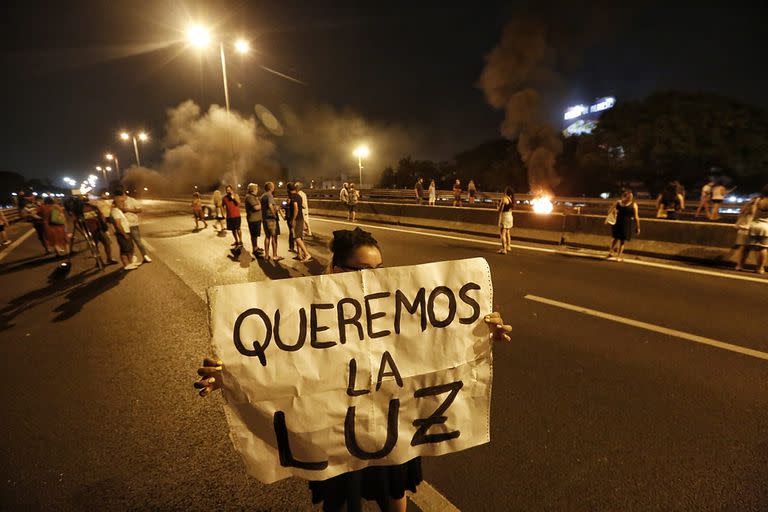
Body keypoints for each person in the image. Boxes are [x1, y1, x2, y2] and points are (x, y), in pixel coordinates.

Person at [194, 227, 513, 512]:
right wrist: (229, 373)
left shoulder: (395, 303)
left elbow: (439, 342)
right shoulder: (304, 311)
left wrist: (480, 330)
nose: (373, 278)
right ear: (335, 269)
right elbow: (275, 360)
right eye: (362, 270)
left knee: (394, 491)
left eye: (379, 269)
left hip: (391, 427)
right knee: (341, 500)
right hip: (335, 434)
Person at [116, 189, 151, 263]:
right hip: (123, 226)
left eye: (122, 196)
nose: (121, 198)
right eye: (119, 196)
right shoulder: (117, 201)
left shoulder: (132, 200)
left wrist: (127, 210)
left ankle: (145, 255)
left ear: (124, 194)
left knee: (138, 241)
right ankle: (133, 257)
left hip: (133, 224)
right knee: (129, 243)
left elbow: (140, 210)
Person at [739, 185, 768, 274]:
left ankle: (739, 266)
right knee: (762, 248)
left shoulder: (757, 199)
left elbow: (743, 210)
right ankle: (760, 269)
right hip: (765, 227)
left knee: (745, 247)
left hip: (752, 226)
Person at [81, 196, 118, 265]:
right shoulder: (93, 207)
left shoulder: (82, 210)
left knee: (96, 246)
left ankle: (99, 261)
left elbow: (101, 216)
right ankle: (106, 260)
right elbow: (101, 216)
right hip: (96, 229)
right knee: (105, 244)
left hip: (93, 230)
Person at [607, 189, 641, 261]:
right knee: (622, 241)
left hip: (617, 222)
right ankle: (618, 256)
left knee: (615, 238)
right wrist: (638, 227)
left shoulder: (618, 202)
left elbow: (609, 211)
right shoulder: (634, 205)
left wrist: (614, 214)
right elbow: (636, 217)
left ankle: (610, 252)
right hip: (627, 224)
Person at [111, 196, 139, 270]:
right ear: (117, 203)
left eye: (123, 202)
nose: (123, 203)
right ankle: (126, 265)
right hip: (122, 233)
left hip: (126, 231)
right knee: (124, 249)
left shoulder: (118, 210)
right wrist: (124, 234)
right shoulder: (115, 211)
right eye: (121, 202)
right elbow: (118, 224)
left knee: (129, 248)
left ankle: (130, 263)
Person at [260, 182, 283, 261]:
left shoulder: (263, 196)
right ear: (271, 188)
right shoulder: (269, 195)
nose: (274, 188)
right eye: (273, 186)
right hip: (271, 219)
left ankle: (266, 255)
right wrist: (274, 214)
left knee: (267, 237)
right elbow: (270, 206)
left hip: (265, 218)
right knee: (274, 237)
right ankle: (275, 255)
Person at [289, 183, 312, 262]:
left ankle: (306, 254)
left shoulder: (293, 197)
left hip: (297, 219)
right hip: (300, 218)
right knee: (298, 237)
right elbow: (301, 206)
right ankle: (300, 254)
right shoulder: (299, 196)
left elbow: (296, 208)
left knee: (297, 238)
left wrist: (293, 219)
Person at [733, 197, 757, 272]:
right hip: (748, 229)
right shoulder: (754, 208)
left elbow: (739, 216)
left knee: (743, 249)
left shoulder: (746, 207)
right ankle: (740, 265)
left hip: (742, 229)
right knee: (749, 249)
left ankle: (739, 265)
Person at [244, 183, 263, 259]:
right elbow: (256, 207)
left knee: (255, 235)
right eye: (256, 189)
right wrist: (262, 205)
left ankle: (256, 247)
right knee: (254, 235)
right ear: (253, 190)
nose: (257, 190)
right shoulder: (249, 197)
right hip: (253, 220)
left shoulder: (253, 196)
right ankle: (255, 250)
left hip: (256, 219)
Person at [222, 185, 243, 249]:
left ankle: (240, 241)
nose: (228, 191)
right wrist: (223, 213)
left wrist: (233, 198)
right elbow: (222, 206)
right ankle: (236, 241)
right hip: (229, 216)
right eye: (227, 190)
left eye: (229, 190)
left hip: (236, 215)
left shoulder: (236, 196)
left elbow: (239, 204)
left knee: (238, 228)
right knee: (233, 230)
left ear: (232, 190)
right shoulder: (224, 198)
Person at [497, 186, 515, 254]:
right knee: (507, 232)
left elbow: (500, 210)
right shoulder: (511, 199)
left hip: (504, 217)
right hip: (510, 216)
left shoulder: (504, 198)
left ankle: (503, 249)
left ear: (505, 192)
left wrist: (498, 206)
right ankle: (508, 246)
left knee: (502, 234)